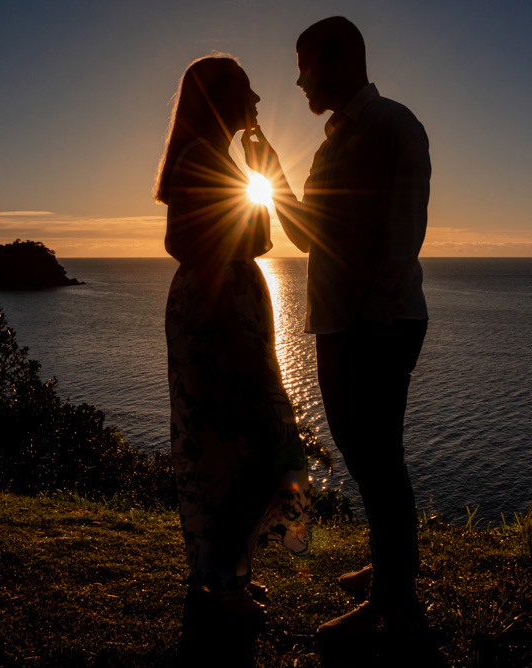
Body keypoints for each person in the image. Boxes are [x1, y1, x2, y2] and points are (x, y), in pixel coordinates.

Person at [242, 15, 431, 647]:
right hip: (340, 326)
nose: (297, 79)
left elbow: (402, 241)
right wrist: (273, 177)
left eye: (304, 63)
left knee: (380, 462)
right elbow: (307, 235)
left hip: (373, 327)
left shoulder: (393, 127)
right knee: (365, 457)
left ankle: (395, 606)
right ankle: (390, 572)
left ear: (340, 57)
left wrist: (364, 330)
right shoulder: (330, 144)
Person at [155, 55, 311, 664]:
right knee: (245, 445)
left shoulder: (206, 157)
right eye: (248, 90)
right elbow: (243, 240)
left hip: (220, 309)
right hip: (220, 316)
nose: (259, 101)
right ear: (222, 99)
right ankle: (222, 586)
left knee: (234, 448)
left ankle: (226, 576)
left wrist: (260, 172)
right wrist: (264, 172)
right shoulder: (201, 159)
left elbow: (243, 237)